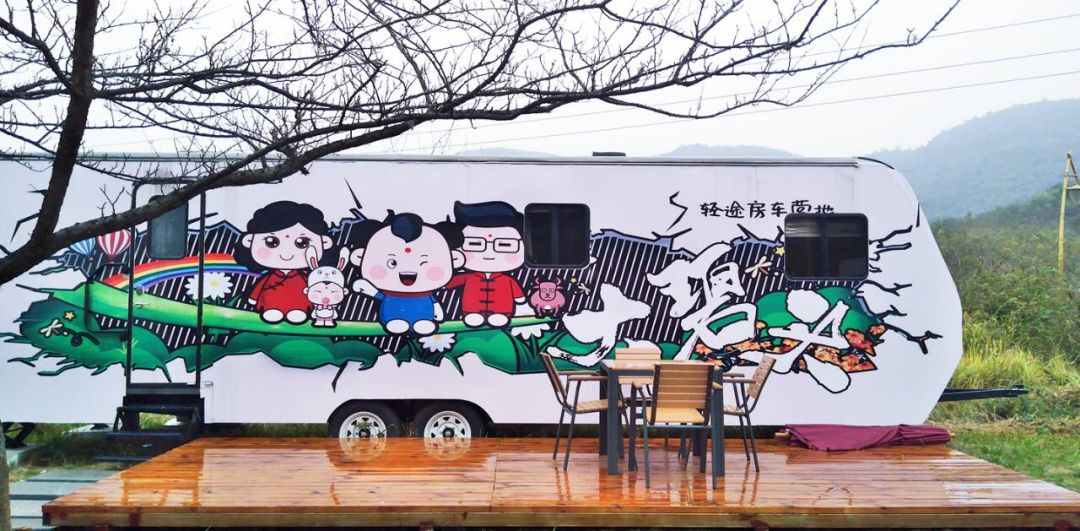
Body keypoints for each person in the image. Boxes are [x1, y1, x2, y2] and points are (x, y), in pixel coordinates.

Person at [347, 212, 464, 335]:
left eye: (423, 263)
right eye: (392, 263)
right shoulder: (390, 292)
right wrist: (367, 289)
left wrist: (438, 313)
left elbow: (434, 302)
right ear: (360, 257)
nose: (407, 272)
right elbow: (378, 295)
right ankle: (397, 322)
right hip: (392, 314)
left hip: (422, 315)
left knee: (421, 324)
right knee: (396, 323)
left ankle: (422, 323)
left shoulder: (426, 294)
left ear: (454, 259)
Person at [237, 201, 333, 324]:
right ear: (249, 241)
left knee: (298, 310)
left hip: (299, 305)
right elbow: (259, 288)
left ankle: (298, 311)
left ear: (324, 243)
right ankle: (272, 311)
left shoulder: (306, 278)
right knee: (271, 311)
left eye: (302, 243)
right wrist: (253, 298)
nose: (286, 253)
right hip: (270, 304)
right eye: (271, 242)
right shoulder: (269, 277)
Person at [446, 201, 526, 327]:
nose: (489, 253)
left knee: (498, 320)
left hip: (502, 312)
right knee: (474, 319)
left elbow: (518, 295)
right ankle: (473, 316)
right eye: (475, 243)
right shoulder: (469, 277)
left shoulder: (508, 280)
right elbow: (449, 283)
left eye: (504, 244)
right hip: (471, 312)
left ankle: (500, 316)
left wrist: (521, 301)